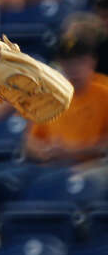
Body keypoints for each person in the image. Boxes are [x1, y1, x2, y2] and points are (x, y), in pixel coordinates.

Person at [25, 24, 108, 165]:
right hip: (51, 165)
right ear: (61, 64)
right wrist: (43, 151)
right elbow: (30, 142)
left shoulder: (104, 91)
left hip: (91, 166)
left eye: (79, 62)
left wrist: (73, 150)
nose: (74, 69)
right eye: (68, 63)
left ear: (92, 61)